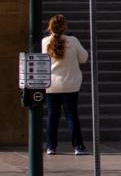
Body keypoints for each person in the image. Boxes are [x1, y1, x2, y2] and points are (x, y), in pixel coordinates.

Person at [42, 15, 88, 156]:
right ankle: (78, 146)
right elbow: (84, 58)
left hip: (51, 85)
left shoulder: (45, 42)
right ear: (65, 27)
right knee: (71, 115)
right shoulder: (73, 41)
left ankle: (51, 146)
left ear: (50, 27)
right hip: (70, 84)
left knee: (52, 115)